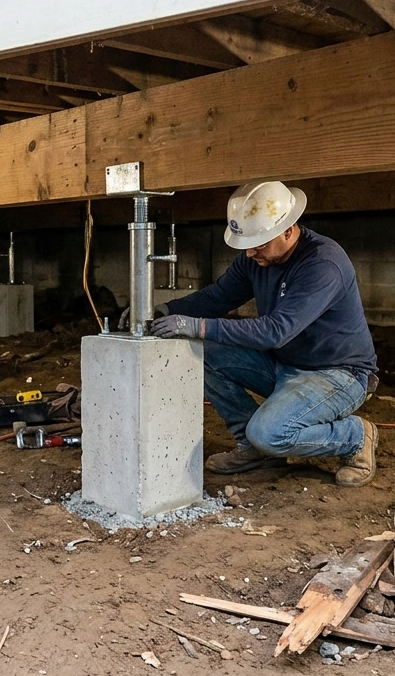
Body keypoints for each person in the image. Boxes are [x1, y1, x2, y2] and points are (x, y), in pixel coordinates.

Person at [151, 181, 381, 486]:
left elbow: (276, 331)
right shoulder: (257, 258)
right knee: (200, 353)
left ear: (288, 230)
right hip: (284, 363)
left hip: (337, 373)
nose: (249, 252)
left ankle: (354, 437)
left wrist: (199, 326)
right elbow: (218, 297)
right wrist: (164, 310)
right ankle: (255, 450)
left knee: (270, 433)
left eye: (259, 243)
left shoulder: (323, 264)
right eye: (246, 243)